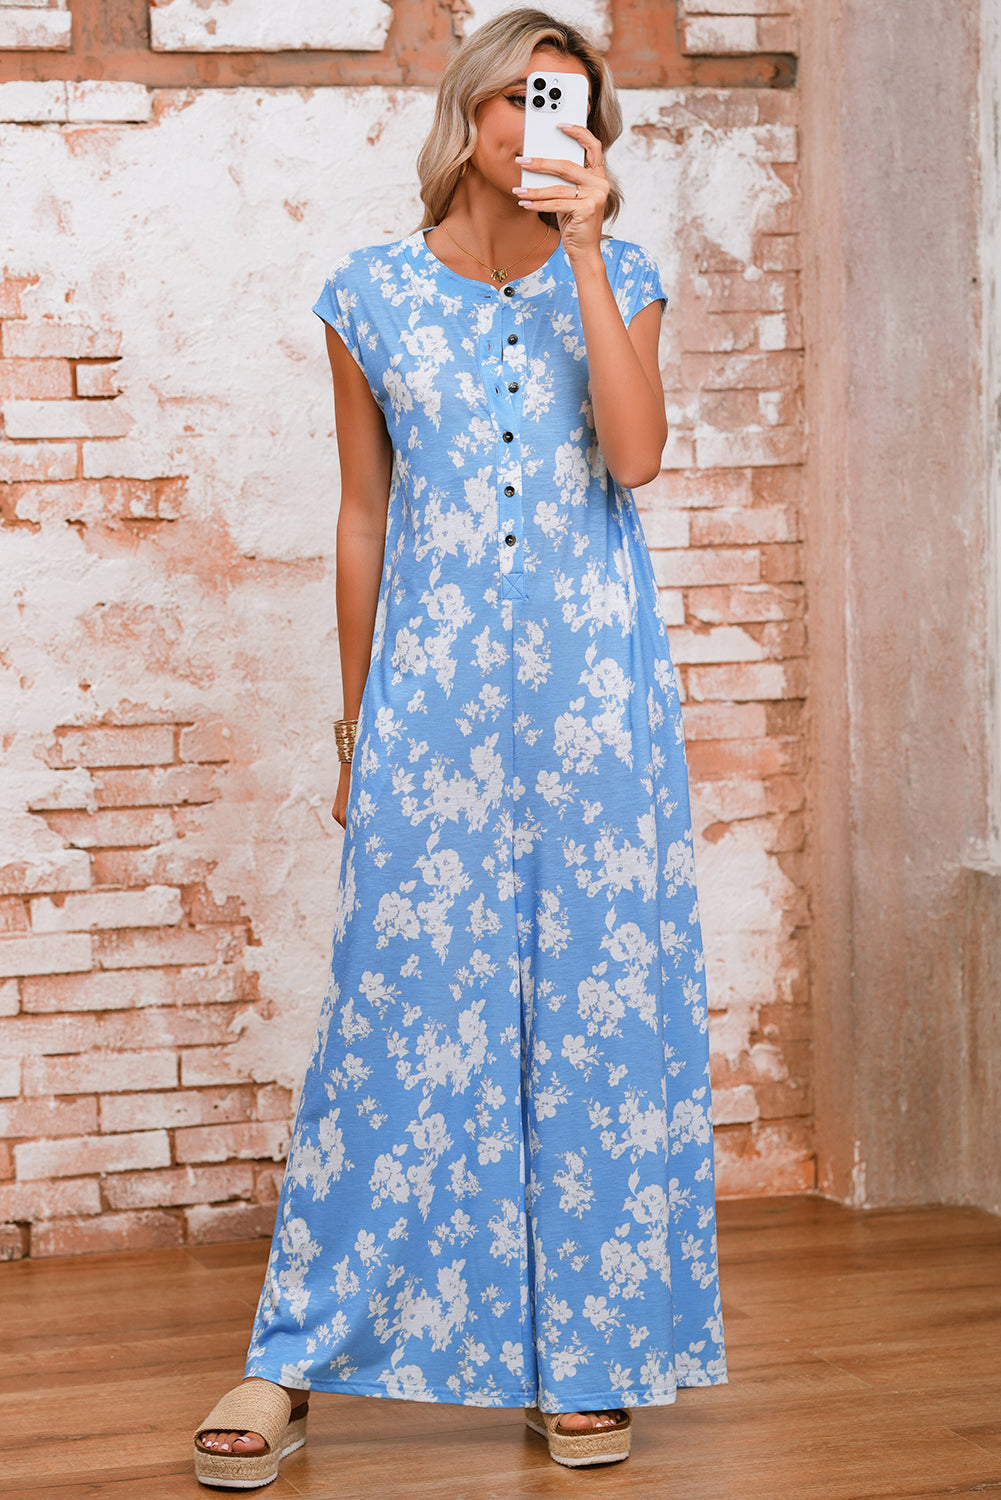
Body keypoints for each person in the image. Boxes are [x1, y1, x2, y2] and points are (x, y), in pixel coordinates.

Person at [193, 6, 727, 1487]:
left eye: (561, 101)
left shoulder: (615, 274)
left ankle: (593, 1355)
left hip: (594, 717)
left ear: (587, 127)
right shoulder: (363, 294)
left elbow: (633, 458)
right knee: (394, 1021)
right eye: (509, 97)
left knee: (598, 1027)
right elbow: (365, 519)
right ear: (466, 114)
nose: (530, 124)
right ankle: (292, 1353)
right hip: (432, 708)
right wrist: (358, 727)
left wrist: (586, 255)